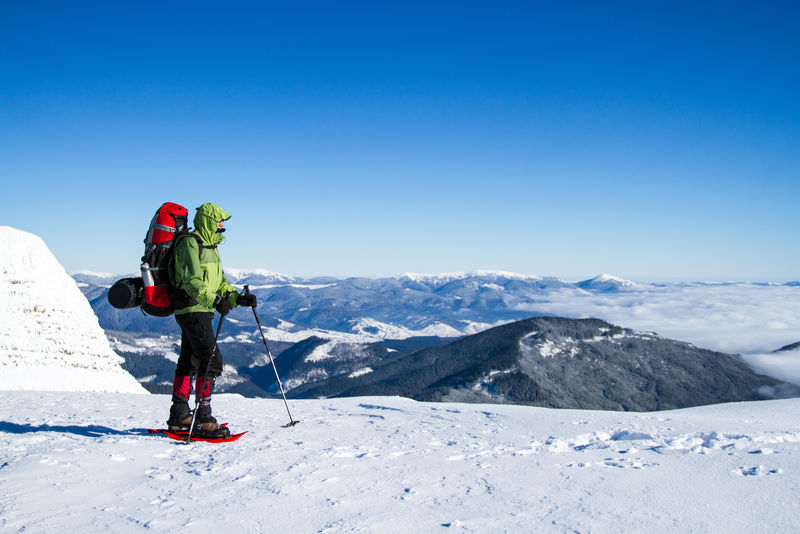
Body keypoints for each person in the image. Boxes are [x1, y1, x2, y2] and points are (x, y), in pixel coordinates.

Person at [166, 203, 257, 437]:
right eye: (219, 222)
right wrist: (215, 302)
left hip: (202, 309)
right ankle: (202, 417)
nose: (223, 226)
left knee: (189, 359)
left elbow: (221, 283)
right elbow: (191, 281)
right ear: (208, 220)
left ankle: (179, 414)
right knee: (211, 359)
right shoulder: (189, 243)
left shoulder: (211, 247)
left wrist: (238, 298)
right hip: (191, 307)